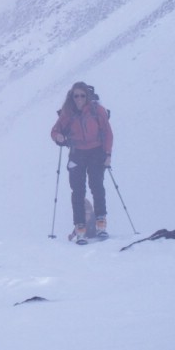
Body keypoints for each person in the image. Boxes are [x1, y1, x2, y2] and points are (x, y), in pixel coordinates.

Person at [51, 81, 113, 244]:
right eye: (75, 96)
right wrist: (58, 136)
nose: (79, 99)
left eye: (82, 95)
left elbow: (108, 133)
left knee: (96, 186)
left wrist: (108, 154)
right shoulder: (68, 114)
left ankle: (100, 224)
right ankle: (81, 228)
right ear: (71, 97)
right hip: (77, 153)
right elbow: (54, 131)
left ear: (87, 96)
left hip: (95, 152)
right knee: (78, 191)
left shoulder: (97, 110)